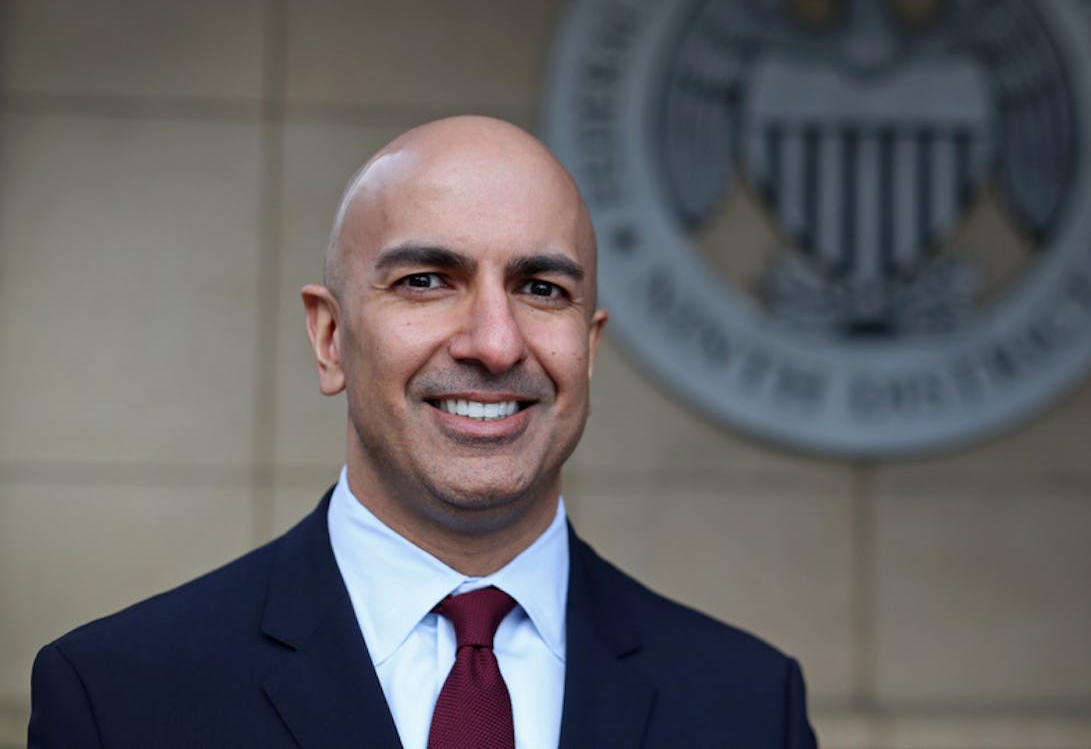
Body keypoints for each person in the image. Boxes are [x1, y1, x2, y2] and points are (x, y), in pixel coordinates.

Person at [28, 116, 817, 749]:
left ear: (591, 346)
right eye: (428, 281)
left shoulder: (748, 706)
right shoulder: (118, 697)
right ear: (330, 337)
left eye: (541, 288)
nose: (495, 343)